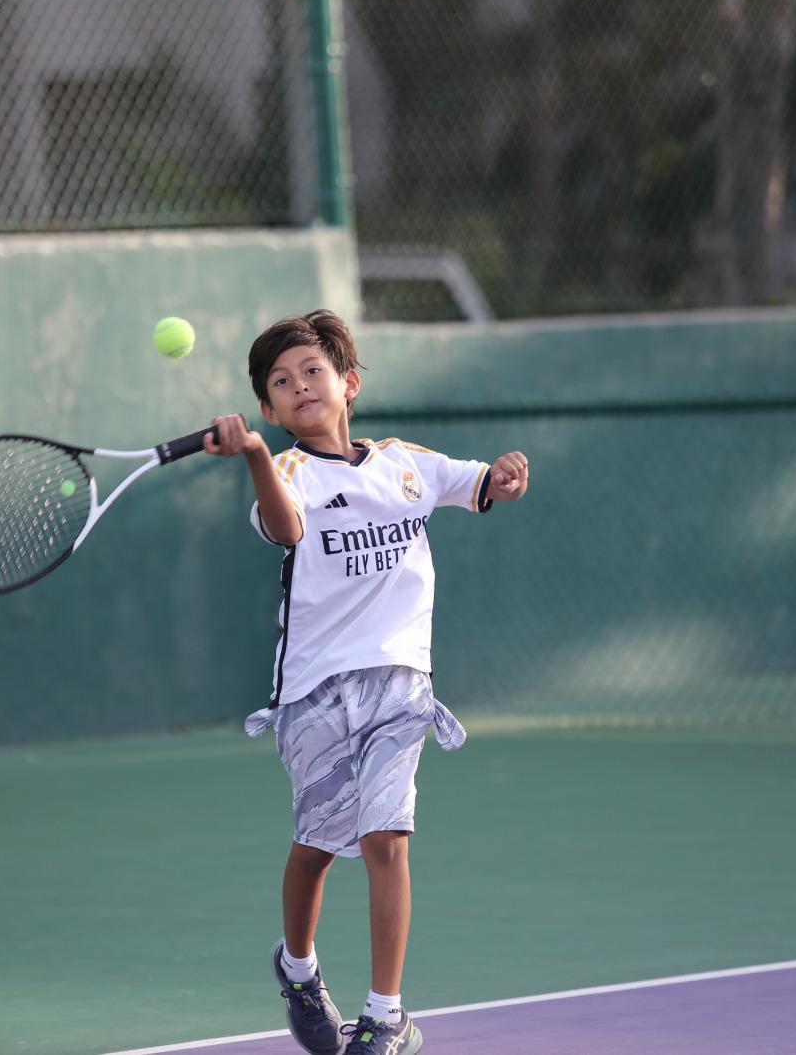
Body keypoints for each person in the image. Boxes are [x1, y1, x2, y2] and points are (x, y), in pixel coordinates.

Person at [203, 310, 529, 1055]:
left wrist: (506, 479)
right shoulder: (285, 472)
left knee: (387, 838)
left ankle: (386, 1015)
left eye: (312, 371)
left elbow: (481, 484)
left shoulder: (405, 463)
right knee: (317, 845)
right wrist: (255, 454)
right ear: (269, 411)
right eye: (280, 383)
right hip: (315, 689)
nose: (298, 386)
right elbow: (286, 529)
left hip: (400, 682)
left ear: (348, 384)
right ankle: (298, 968)